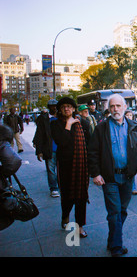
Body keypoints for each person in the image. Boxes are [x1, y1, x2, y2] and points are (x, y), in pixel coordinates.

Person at [88, 94, 137, 257]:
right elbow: (92, 152)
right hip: (109, 178)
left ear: (125, 107)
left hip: (127, 177)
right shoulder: (101, 128)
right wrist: (95, 174)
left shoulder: (135, 126)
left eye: (118, 106)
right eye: (112, 106)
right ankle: (116, 247)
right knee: (114, 212)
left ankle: (112, 239)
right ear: (108, 108)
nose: (115, 109)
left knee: (122, 211)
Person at [50, 97, 89, 239]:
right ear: (60, 110)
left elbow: (89, 142)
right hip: (66, 165)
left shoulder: (82, 123)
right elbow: (62, 142)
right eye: (63, 107)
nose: (66, 109)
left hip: (81, 165)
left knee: (81, 196)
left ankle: (80, 226)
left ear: (73, 109)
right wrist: (68, 124)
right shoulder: (56, 124)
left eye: (69, 106)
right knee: (67, 196)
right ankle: (65, 215)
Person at [33, 99, 60, 198]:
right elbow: (39, 135)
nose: (54, 108)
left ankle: (61, 185)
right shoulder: (43, 118)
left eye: (56, 106)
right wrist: (39, 151)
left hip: (62, 148)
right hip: (49, 148)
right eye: (52, 106)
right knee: (51, 170)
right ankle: (54, 188)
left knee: (61, 169)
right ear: (49, 107)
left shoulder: (62, 117)